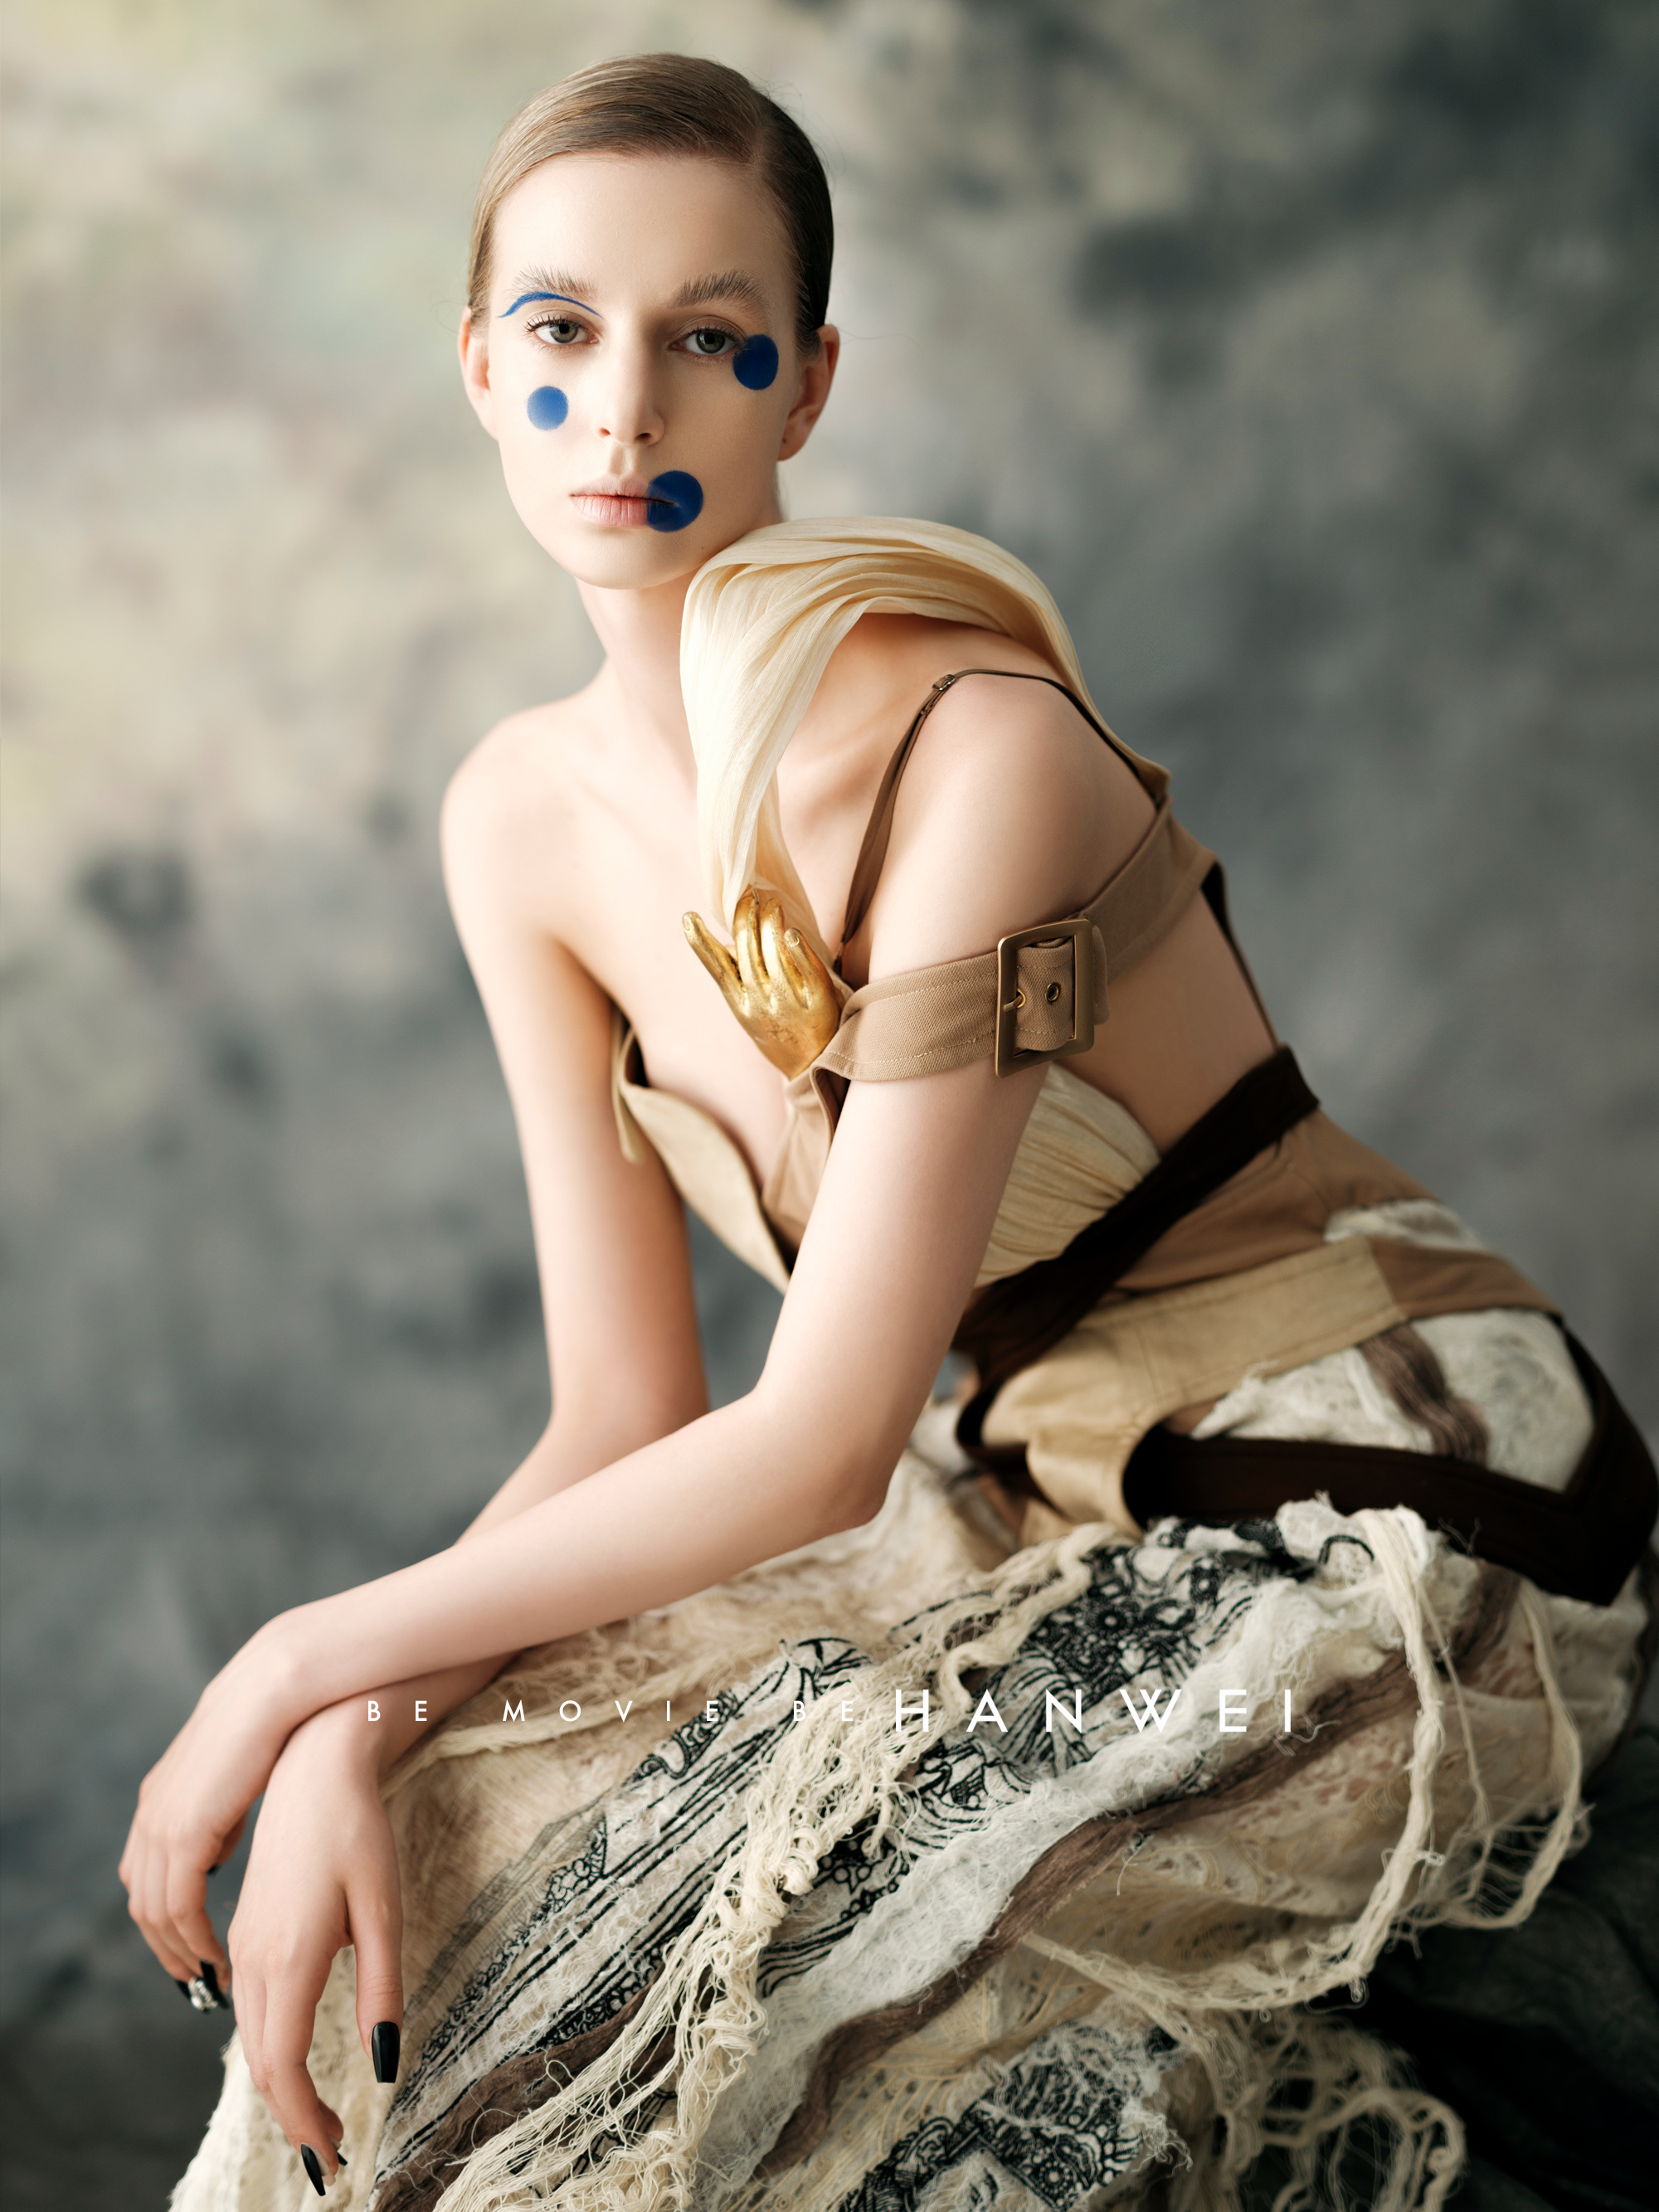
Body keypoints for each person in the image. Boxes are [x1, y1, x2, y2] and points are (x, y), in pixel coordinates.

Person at [129, 55, 1654, 2212]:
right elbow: (624, 1411)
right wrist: (360, 1729)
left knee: (770, 1983)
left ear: (809, 383)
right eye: (561, 329)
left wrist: (299, 1655)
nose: (622, 407)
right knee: (472, 1830)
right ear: (479, 369)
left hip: (1389, 1464)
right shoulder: (517, 823)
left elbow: (822, 1438)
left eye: (707, 336)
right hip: (1029, 1477)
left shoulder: (973, 746)